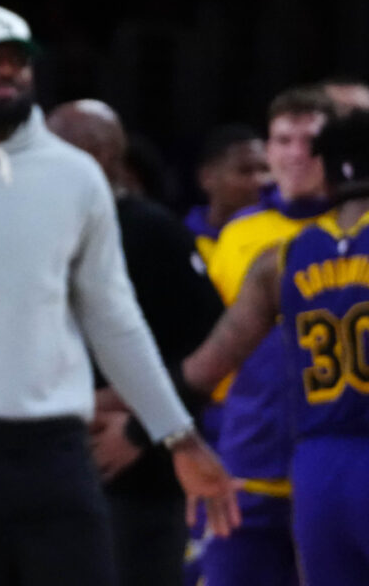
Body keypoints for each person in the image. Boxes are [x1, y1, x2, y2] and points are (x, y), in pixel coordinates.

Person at [0, 8, 237, 586]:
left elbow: (114, 318)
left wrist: (177, 435)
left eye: (18, 61)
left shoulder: (77, 176)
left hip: (51, 449)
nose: (6, 72)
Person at [179, 110, 369, 586]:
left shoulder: (280, 259)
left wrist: (146, 426)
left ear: (325, 169)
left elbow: (202, 370)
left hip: (318, 471)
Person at [47, 100, 225, 586]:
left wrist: (142, 424)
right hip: (54, 460)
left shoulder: (152, 231)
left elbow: (213, 347)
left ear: (103, 153)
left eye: (57, 144)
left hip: (138, 475)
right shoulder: (38, 229)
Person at [201, 86, 333, 586]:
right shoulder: (239, 234)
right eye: (283, 140)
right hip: (244, 469)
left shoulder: (359, 226)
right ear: (269, 149)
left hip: (334, 470)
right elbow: (208, 356)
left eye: (310, 140)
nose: (296, 154)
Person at [185, 125, 271, 267]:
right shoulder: (184, 241)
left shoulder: (284, 236)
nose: (260, 181)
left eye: (265, 169)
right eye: (245, 171)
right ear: (207, 177)